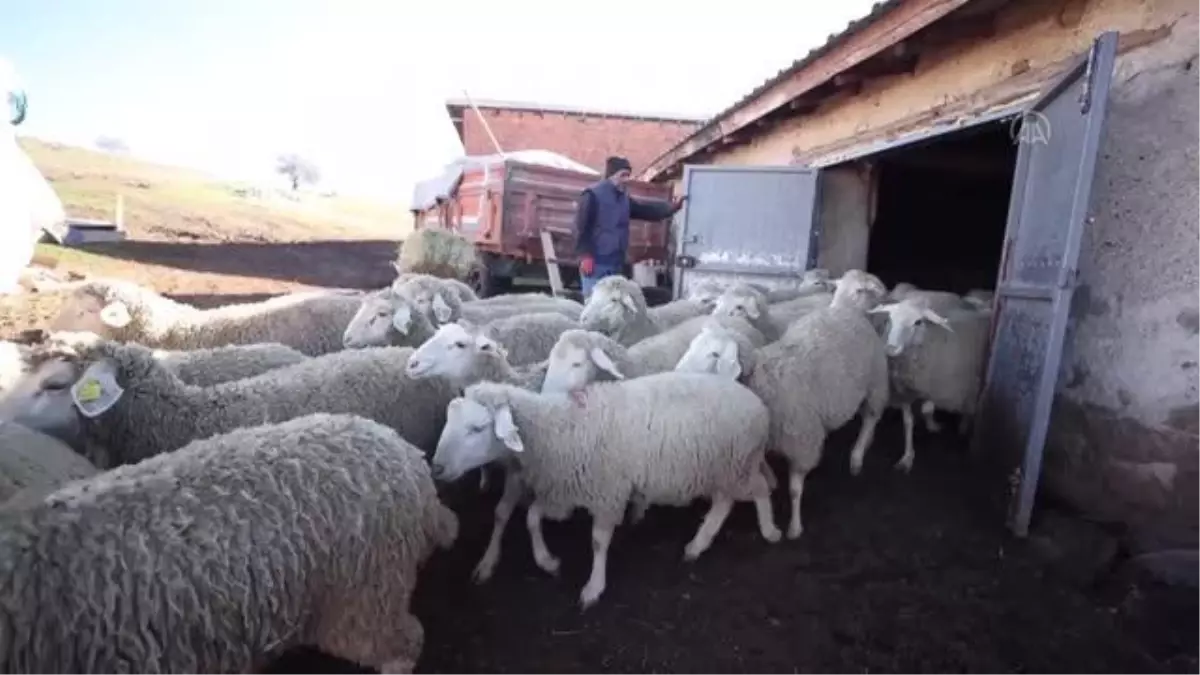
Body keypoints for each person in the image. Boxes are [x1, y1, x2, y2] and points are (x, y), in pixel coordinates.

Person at [573, 155, 686, 299]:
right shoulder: (592, 195)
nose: (626, 179)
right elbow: (580, 227)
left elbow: (644, 210)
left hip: (615, 262)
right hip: (596, 262)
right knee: (594, 303)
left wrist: (671, 208)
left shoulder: (623, 198)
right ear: (611, 175)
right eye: (623, 175)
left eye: (628, 175)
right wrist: (585, 256)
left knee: (614, 305)